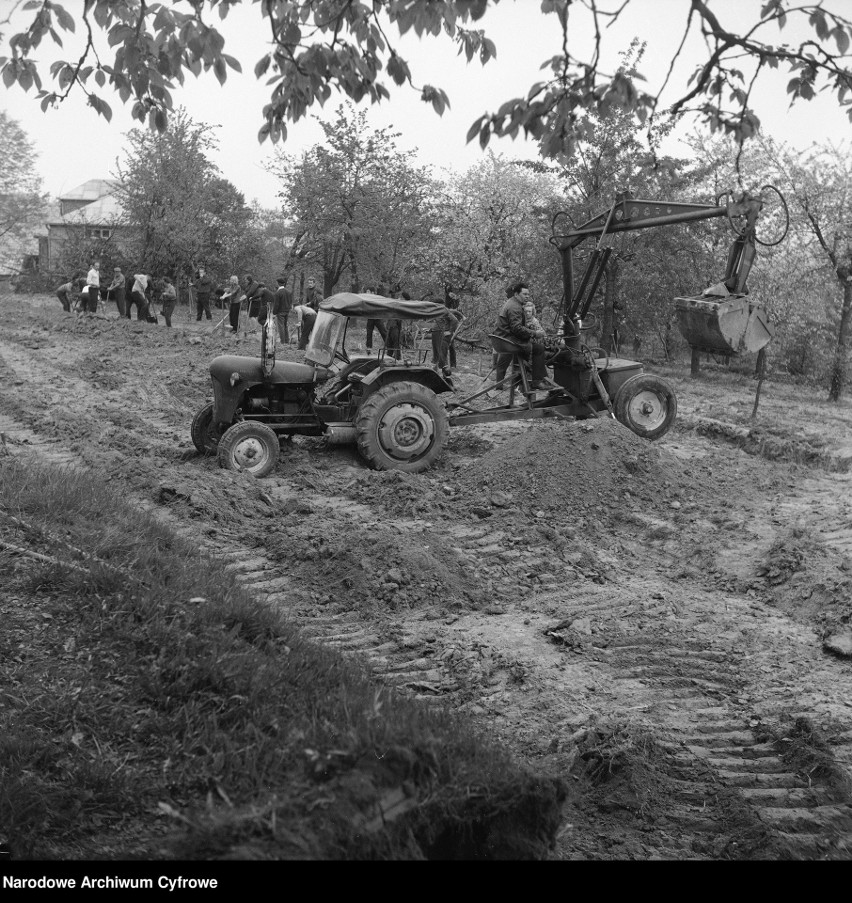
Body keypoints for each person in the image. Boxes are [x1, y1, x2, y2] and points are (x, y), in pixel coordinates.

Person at [493, 281, 551, 390]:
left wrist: (528, 332)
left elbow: (515, 327)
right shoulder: (515, 307)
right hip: (509, 341)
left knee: (509, 358)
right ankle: (536, 381)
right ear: (516, 294)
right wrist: (535, 333)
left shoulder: (510, 303)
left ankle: (502, 385)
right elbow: (516, 328)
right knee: (538, 348)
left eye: (528, 294)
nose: (527, 296)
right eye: (524, 294)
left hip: (502, 338)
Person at [430, 302, 463, 381]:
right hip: (436, 333)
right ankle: (435, 373)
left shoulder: (444, 310)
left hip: (443, 334)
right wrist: (431, 329)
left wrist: (450, 331)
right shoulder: (437, 311)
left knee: (442, 354)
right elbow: (439, 322)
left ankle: (447, 377)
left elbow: (455, 321)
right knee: (437, 354)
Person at [297, 276, 322, 350]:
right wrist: (306, 305)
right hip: (309, 312)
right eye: (308, 283)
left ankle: (314, 346)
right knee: (309, 329)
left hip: (316, 312)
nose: (309, 284)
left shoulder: (317, 291)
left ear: (314, 283)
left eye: (311, 283)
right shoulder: (307, 290)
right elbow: (308, 300)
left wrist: (309, 305)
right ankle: (309, 344)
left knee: (313, 330)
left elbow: (317, 301)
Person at [274, 276, 293, 343]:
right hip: (287, 311)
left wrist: (274, 313)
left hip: (280, 311)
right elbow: (290, 302)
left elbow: (276, 304)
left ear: (278, 283)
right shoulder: (288, 292)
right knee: (285, 326)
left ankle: (283, 341)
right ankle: (287, 340)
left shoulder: (278, 293)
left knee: (281, 327)